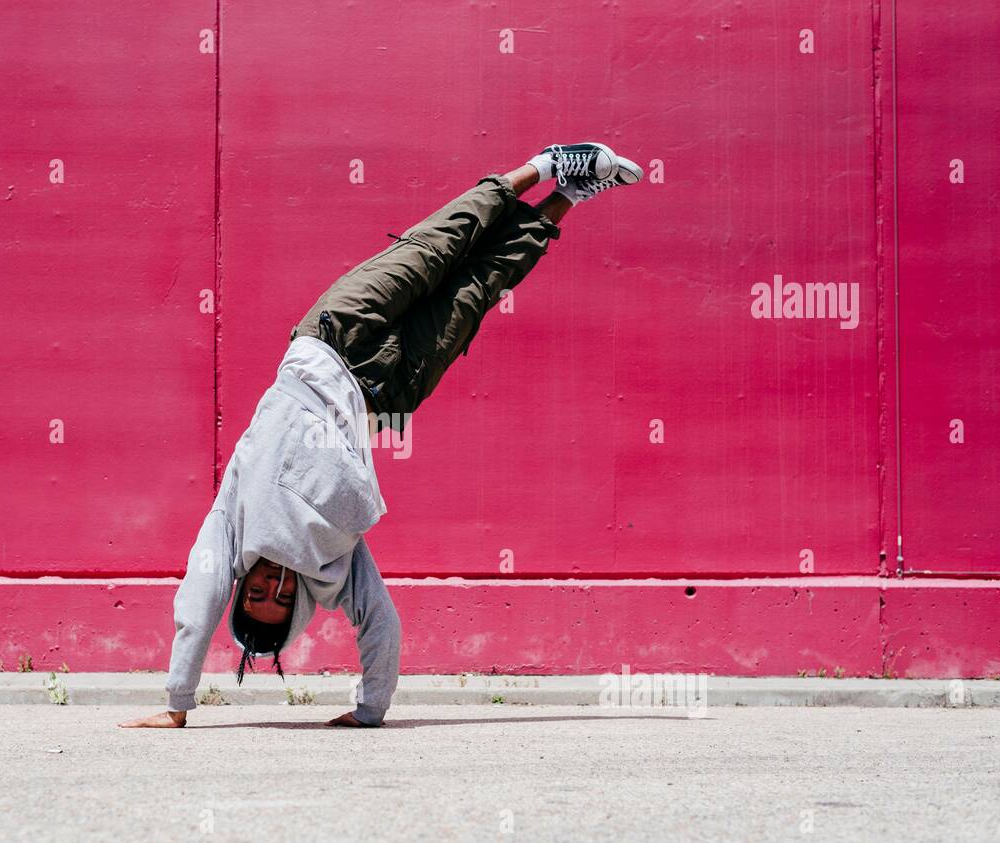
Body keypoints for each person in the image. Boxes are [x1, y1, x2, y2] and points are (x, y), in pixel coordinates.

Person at [120, 142, 642, 729]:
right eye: (282, 601)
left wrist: (177, 704)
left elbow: (197, 605)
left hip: (329, 337)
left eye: (256, 595)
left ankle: (545, 166)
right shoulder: (333, 567)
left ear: (240, 594)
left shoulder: (232, 526)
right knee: (478, 289)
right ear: (297, 611)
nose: (271, 586)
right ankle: (571, 195)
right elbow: (381, 622)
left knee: (432, 251)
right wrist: (371, 710)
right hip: (386, 391)